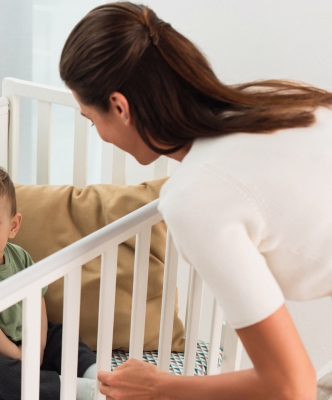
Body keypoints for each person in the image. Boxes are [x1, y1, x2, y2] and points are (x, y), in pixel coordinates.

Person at [59, 2, 332, 400]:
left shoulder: (196, 197)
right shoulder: (271, 101)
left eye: (90, 118)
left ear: (119, 107)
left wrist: (159, 386)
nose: (97, 131)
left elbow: (291, 385)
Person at [0, 163, 98, 400]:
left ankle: (98, 376)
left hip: (21, 329)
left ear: (13, 226)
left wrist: (38, 347)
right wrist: (22, 357)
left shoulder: (18, 255)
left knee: (61, 336)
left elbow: (37, 300)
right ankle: (82, 392)